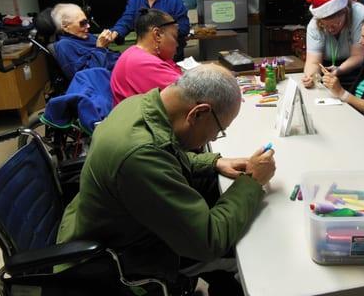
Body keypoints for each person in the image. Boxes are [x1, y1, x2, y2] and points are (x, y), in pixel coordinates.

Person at [57, 64, 276, 295]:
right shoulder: (140, 155)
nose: (214, 137)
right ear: (198, 113)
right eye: (219, 129)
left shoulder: (140, 104)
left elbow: (166, 154)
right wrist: (251, 181)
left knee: (217, 190)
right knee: (249, 249)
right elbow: (209, 243)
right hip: (124, 256)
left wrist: (213, 162)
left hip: (104, 223)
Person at [110, 8, 182, 106]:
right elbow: (189, 93)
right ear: (157, 35)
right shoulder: (140, 62)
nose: (177, 44)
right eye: (175, 37)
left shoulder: (139, 54)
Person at [302, 0, 364, 88]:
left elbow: (358, 56)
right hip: (328, 69)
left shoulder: (360, 15)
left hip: (356, 69)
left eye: (336, 24)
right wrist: (310, 76)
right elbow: (314, 62)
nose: (330, 30)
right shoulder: (314, 24)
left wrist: (338, 70)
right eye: (325, 26)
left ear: (345, 13)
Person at [52, 3, 119, 79]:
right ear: (65, 27)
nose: (88, 26)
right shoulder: (64, 45)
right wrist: (100, 48)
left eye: (87, 22)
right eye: (83, 23)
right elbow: (85, 78)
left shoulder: (87, 36)